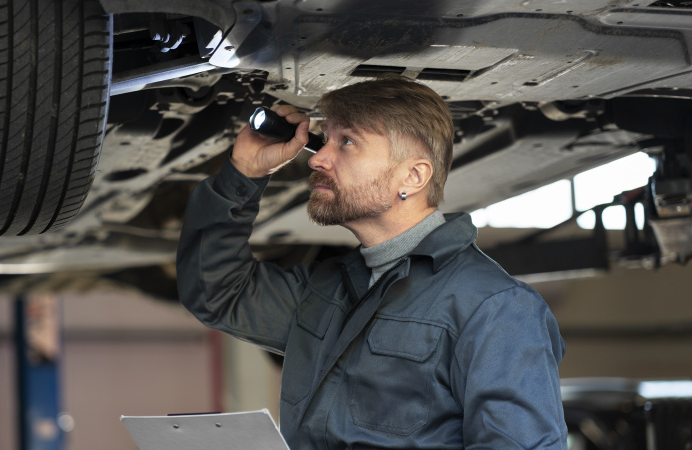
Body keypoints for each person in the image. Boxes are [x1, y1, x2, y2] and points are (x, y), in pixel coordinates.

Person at [176, 77, 567, 449]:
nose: (317, 159)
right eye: (325, 140)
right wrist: (243, 173)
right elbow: (219, 293)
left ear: (413, 176)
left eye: (347, 142)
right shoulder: (328, 289)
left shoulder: (496, 308)